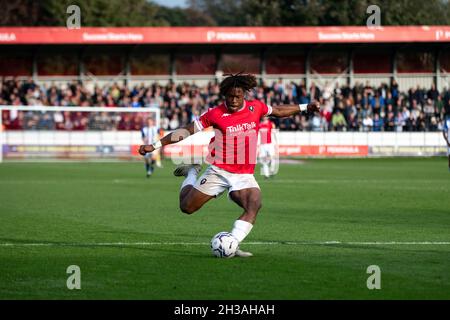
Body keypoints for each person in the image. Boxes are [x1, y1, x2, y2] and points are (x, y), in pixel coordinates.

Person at [139, 73, 320, 257]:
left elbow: (279, 111)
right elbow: (186, 131)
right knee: (186, 207)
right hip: (218, 171)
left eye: (238, 96)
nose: (233, 100)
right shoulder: (215, 113)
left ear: (244, 95)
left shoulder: (255, 107)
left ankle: (232, 244)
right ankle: (192, 172)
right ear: (224, 94)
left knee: (254, 205)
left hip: (243, 175)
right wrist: (154, 145)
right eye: (230, 96)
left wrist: (306, 107)